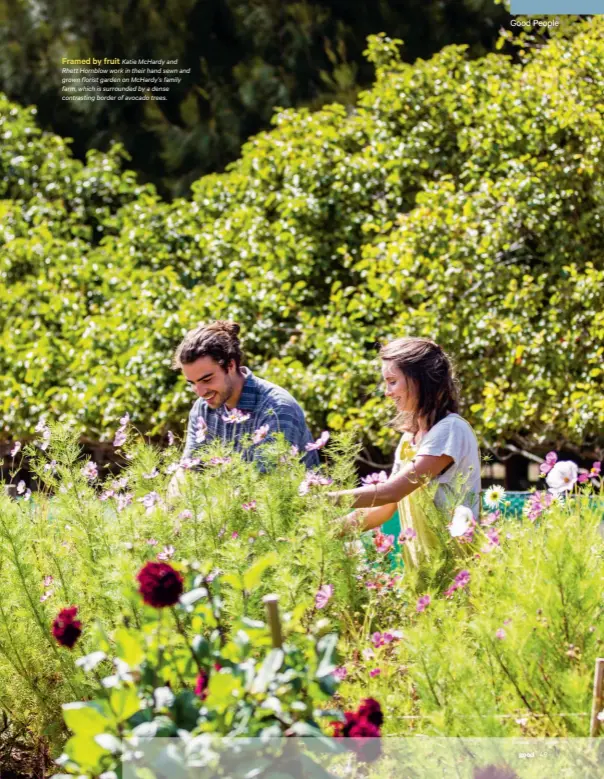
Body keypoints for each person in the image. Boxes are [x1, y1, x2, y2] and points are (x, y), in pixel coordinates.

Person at [331, 337, 481, 568]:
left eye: (392, 382)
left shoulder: (451, 430)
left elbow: (391, 492)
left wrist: (323, 499)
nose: (387, 393)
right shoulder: (408, 441)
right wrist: (322, 533)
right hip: (424, 574)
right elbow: (383, 509)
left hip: (457, 572)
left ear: (420, 380)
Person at [168, 321, 319, 493]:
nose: (200, 392)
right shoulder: (202, 408)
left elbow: (264, 491)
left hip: (292, 513)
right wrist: (164, 508)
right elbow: (188, 471)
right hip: (231, 510)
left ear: (231, 365)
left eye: (207, 380)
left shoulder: (277, 409)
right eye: (192, 383)